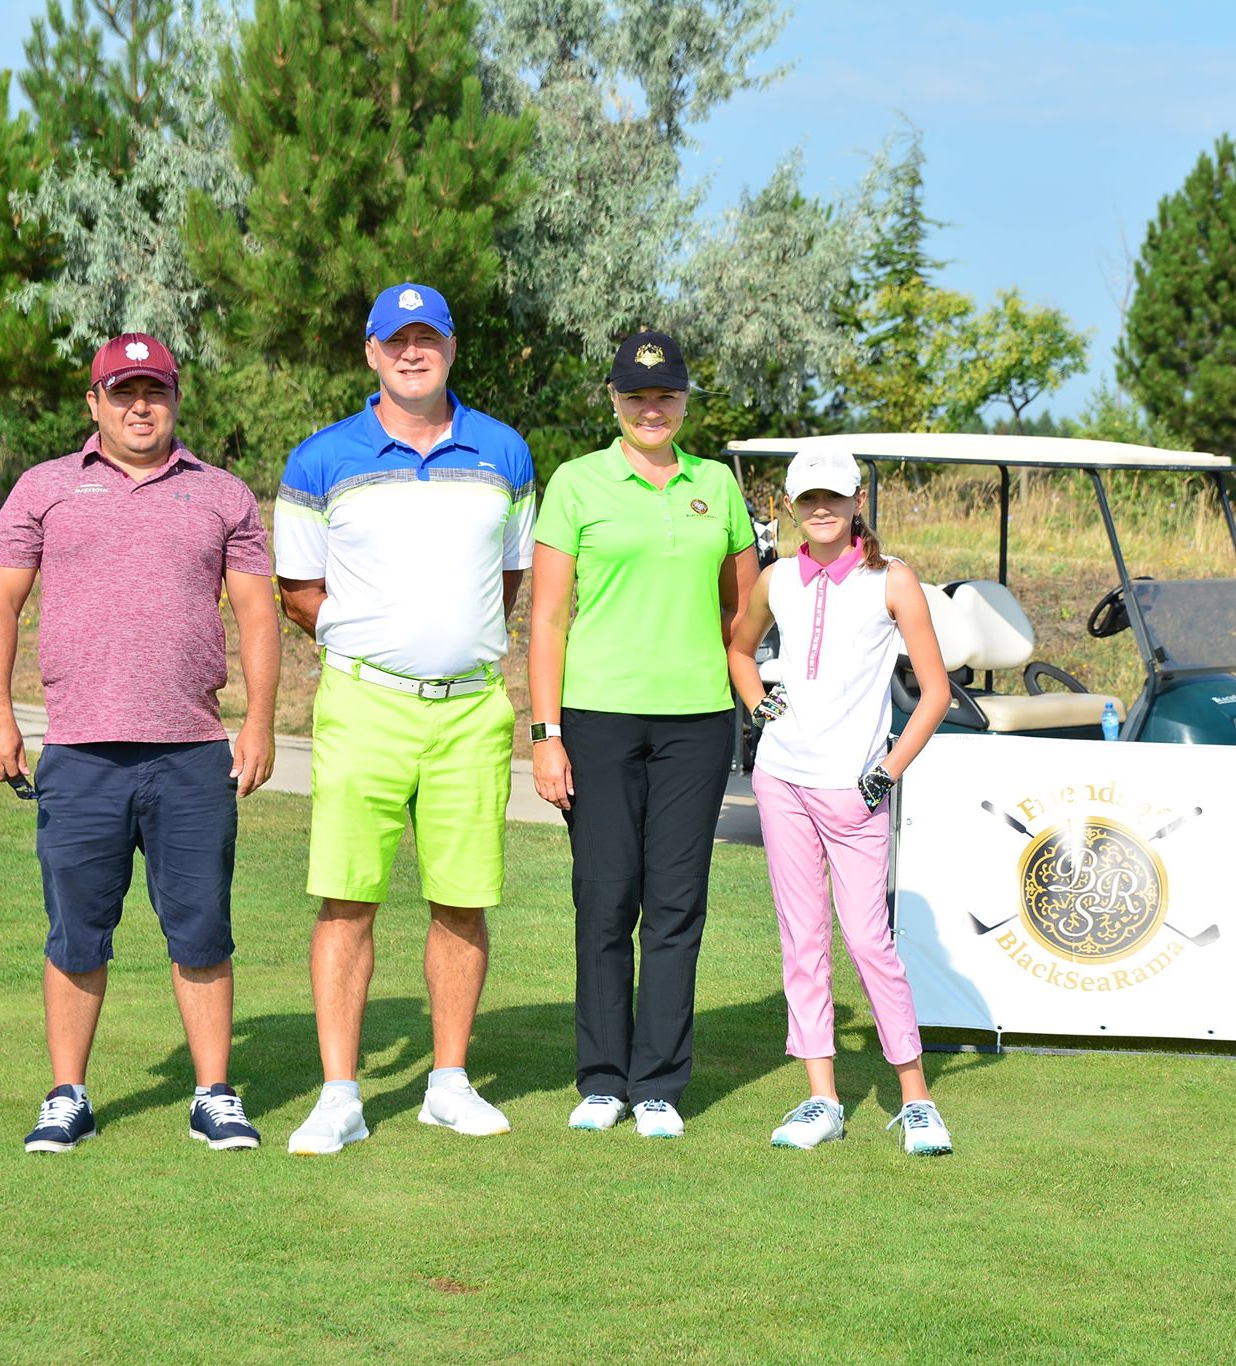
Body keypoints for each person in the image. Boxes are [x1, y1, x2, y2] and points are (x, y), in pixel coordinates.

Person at [0, 331, 280, 1154]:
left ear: (176, 398)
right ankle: (66, 1095)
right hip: (80, 753)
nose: (140, 407)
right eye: (123, 392)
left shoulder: (222, 495)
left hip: (192, 752)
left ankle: (214, 1095)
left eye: (155, 391)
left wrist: (258, 722)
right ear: (95, 402)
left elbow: (258, 615)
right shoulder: (44, 488)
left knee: (202, 930)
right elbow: (0, 605)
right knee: (76, 932)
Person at [275, 283, 535, 1153]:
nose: (412, 353)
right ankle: (340, 1096)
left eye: (427, 339)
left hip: (470, 710)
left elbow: (506, 580)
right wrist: (378, 641)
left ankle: (448, 1085)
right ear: (371, 352)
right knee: (347, 899)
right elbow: (298, 592)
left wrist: (448, 644)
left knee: (462, 901)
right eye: (396, 341)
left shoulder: (504, 452)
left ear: (451, 348)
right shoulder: (321, 458)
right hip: (363, 704)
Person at [529, 330, 758, 1138]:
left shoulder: (717, 485)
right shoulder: (577, 482)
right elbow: (547, 618)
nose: (651, 409)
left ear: (685, 401)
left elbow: (743, 611)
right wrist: (546, 732)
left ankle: (657, 1082)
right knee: (605, 895)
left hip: (697, 720)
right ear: (615, 400)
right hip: (598, 717)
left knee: (675, 901)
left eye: (665, 396)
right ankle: (602, 1079)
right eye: (636, 396)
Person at [725, 446, 956, 1155]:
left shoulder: (893, 579)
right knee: (803, 941)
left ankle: (916, 1099)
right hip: (783, 782)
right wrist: (760, 706)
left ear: (858, 501)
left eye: (834, 496)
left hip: (857, 790)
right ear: (792, 507)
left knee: (867, 941)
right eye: (808, 499)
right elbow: (739, 649)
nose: (821, 509)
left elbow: (935, 692)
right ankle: (821, 1098)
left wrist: (887, 771)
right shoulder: (777, 580)